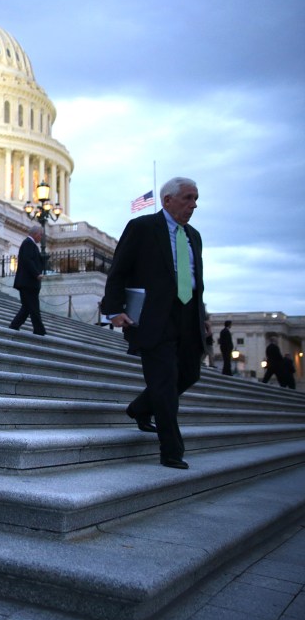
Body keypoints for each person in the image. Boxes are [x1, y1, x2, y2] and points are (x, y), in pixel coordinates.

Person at [102, 177, 208, 470]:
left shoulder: (194, 236)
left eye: (195, 198)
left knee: (188, 374)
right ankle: (171, 449)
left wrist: (203, 318)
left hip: (188, 316)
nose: (193, 205)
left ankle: (139, 408)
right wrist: (113, 310)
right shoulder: (142, 228)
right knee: (162, 383)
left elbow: (196, 281)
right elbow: (119, 270)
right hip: (153, 318)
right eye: (187, 198)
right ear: (167, 200)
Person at [8, 223, 47, 336]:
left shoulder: (30, 244)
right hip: (28, 283)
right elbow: (28, 261)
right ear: (35, 234)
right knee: (33, 307)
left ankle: (14, 326)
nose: (41, 237)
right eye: (40, 235)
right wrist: (36, 274)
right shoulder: (28, 243)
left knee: (27, 307)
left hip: (28, 283)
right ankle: (39, 331)